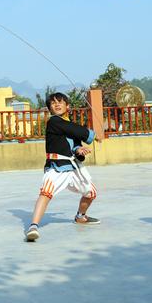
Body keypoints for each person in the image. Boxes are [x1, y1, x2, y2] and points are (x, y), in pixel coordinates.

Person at [25, 92, 101, 242]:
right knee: (46, 193)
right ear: (50, 109)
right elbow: (76, 130)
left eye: (60, 102)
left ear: (68, 106)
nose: (57, 105)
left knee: (91, 193)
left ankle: (80, 216)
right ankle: (33, 226)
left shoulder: (67, 125)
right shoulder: (54, 122)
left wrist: (79, 150)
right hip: (57, 167)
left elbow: (75, 146)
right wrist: (93, 135)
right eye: (53, 103)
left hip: (73, 167)